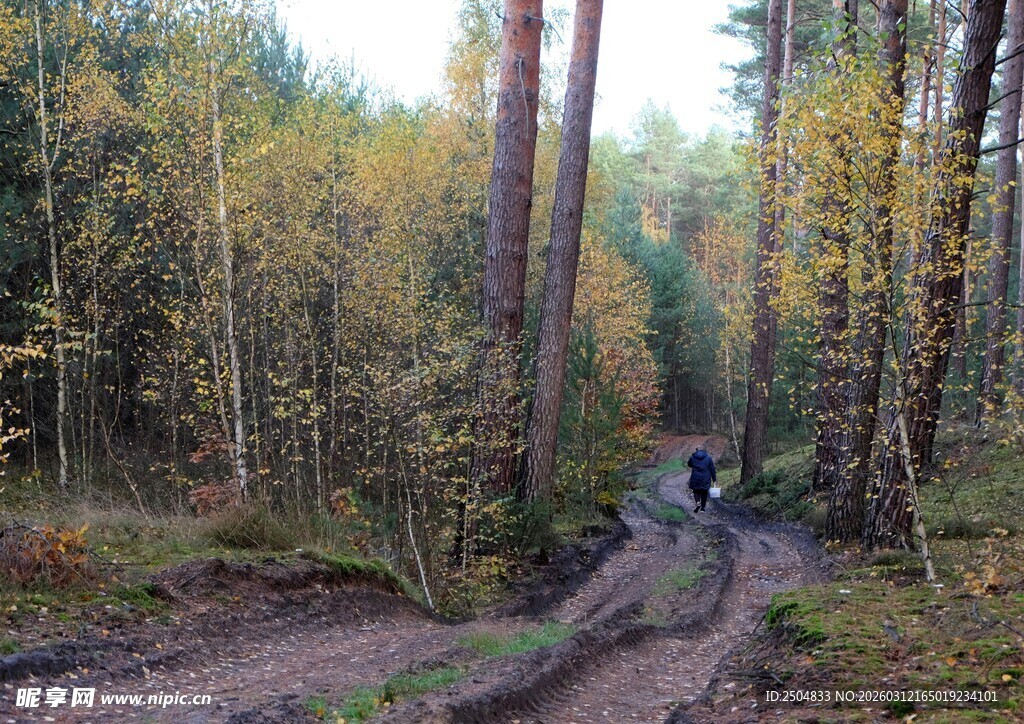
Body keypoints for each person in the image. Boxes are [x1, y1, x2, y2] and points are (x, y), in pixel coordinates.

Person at [687, 444, 716, 513]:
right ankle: (703, 508)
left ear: (697, 450)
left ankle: (697, 503)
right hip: (705, 477)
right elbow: (712, 469)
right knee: (704, 492)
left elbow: (689, 464)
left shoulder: (693, 457)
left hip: (695, 477)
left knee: (696, 491)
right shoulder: (708, 458)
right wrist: (714, 480)